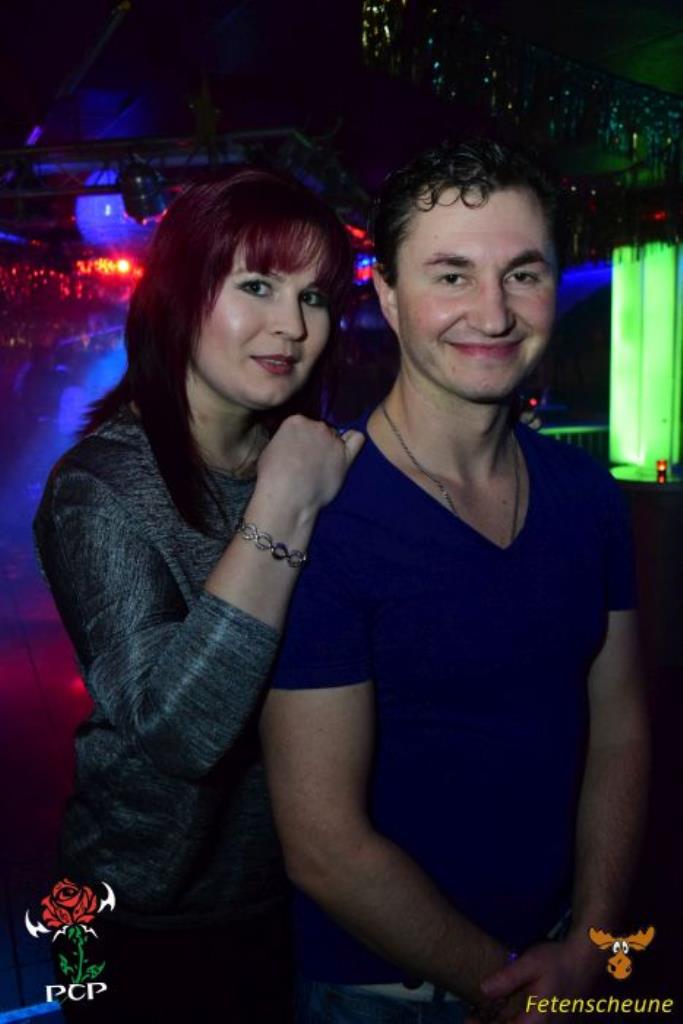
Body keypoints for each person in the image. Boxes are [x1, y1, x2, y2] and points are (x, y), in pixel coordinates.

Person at [260, 140, 650, 1024]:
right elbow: (321, 843)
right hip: (385, 997)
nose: (493, 312)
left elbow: (621, 729)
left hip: (566, 952)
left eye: (523, 274)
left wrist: (591, 942)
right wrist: (508, 989)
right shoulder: (326, 514)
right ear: (388, 296)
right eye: (451, 275)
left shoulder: (587, 496)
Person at [33, 166, 364, 1022]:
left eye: (315, 297)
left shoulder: (311, 459)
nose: (292, 325)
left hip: (288, 894)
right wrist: (282, 507)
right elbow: (180, 733)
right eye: (257, 286)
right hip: (126, 913)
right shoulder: (98, 488)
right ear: (180, 294)